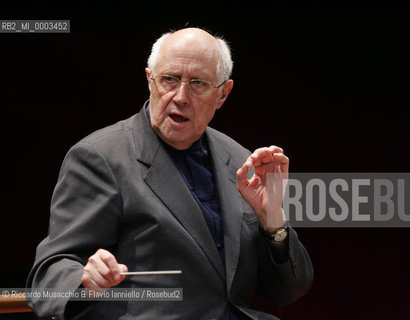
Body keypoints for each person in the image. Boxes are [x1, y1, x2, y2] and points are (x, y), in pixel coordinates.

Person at [27, 27, 313, 320]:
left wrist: (272, 221)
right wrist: (85, 280)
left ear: (223, 94)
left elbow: (289, 290)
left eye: (198, 83)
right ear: (149, 80)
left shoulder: (242, 162)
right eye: (169, 79)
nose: (180, 96)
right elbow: (48, 277)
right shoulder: (101, 157)